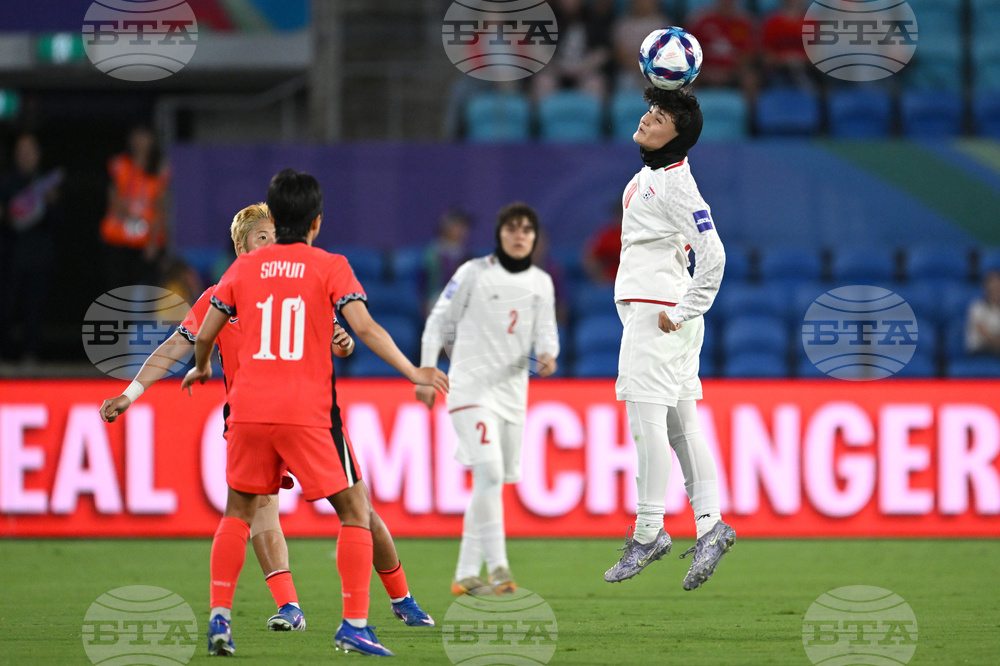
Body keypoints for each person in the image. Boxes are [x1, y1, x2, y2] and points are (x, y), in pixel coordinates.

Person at [99, 203, 436, 637]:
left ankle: (401, 596)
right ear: (241, 246)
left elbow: (341, 341)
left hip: (306, 414)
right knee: (259, 509)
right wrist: (131, 392)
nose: (272, 245)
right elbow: (174, 348)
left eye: (275, 237)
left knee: (360, 511)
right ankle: (289, 606)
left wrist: (342, 341)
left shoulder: (296, 284)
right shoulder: (223, 292)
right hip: (252, 416)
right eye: (262, 237)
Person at [182, 171, 448, 657]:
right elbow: (364, 328)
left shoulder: (240, 271)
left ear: (275, 220)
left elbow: (203, 335)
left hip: (247, 410)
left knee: (237, 514)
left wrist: (201, 368)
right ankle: (354, 623)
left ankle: (220, 618)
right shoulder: (329, 266)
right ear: (316, 222)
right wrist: (413, 371)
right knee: (354, 512)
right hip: (307, 410)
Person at [603, 86, 735, 591]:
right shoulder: (651, 175)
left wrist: (682, 311)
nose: (646, 118)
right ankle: (710, 525)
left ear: (677, 139)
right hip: (666, 313)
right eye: (650, 110)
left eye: (659, 117)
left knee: (646, 425)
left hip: (658, 313)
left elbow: (715, 255)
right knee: (683, 429)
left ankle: (649, 531)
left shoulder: (677, 185)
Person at [416, 202, 560, 596]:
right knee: (492, 472)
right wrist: (427, 372)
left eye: (526, 230)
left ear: (534, 238)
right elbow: (437, 321)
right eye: (511, 229)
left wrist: (549, 357)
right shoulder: (473, 273)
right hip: (470, 388)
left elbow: (547, 336)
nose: (519, 236)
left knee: (490, 482)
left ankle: (465, 574)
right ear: (499, 234)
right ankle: (498, 569)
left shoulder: (542, 283)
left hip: (513, 395)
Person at [0, 133, 62, 362]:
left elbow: (57, 223)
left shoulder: (47, 183)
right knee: (6, 308)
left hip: (40, 256)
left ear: (38, 154)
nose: (26, 156)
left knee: (34, 308)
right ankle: (4, 355)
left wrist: (52, 203)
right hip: (11, 256)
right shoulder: (6, 183)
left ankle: (31, 354)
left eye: (30, 151)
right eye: (21, 151)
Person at [100, 125, 169, 289]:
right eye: (136, 135)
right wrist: (131, 214)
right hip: (118, 239)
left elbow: (161, 207)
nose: (140, 141)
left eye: (144, 136)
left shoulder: (159, 168)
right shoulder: (119, 164)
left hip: (146, 242)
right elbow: (113, 199)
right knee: (117, 289)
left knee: (146, 291)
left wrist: (153, 241)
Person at [687, 0, 758, 96]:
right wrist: (705, 70)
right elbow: (691, 52)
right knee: (686, 76)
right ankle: (683, 109)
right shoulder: (701, 21)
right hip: (705, 70)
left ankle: (750, 110)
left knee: (750, 79)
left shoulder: (745, 24)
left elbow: (748, 55)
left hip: (733, 72)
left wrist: (729, 71)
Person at [423, 208, 473, 312]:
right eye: (458, 226)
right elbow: (430, 285)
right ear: (446, 227)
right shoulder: (433, 254)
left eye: (463, 227)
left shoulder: (465, 255)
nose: (462, 230)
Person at [581, 203, 624, 284]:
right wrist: (600, 277)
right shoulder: (608, 235)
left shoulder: (642, 233)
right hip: (610, 283)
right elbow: (589, 258)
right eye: (620, 213)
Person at [965, 270, 1000, 355]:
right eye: (993, 287)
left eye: (997, 287)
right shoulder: (977, 307)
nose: (995, 290)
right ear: (986, 289)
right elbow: (982, 331)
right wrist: (997, 341)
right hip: (980, 349)